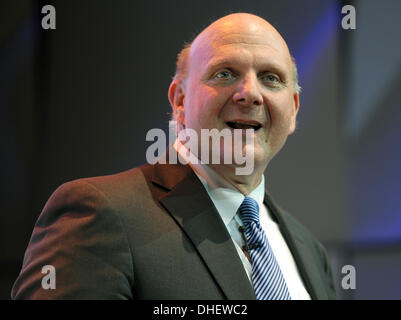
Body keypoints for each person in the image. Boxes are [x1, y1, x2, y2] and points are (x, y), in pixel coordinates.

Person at [11, 13, 336, 300]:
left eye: (270, 78)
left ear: (292, 109)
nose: (249, 93)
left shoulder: (309, 250)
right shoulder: (99, 213)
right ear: (179, 101)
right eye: (225, 73)